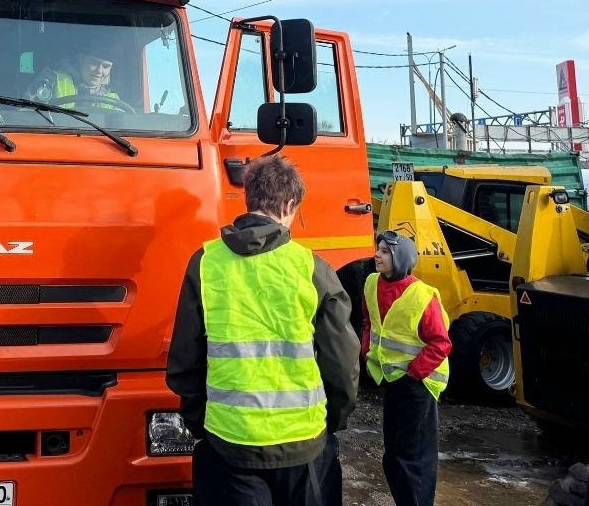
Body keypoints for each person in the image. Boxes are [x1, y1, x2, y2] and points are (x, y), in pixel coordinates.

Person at [167, 155, 359, 506]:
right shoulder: (313, 269)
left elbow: (184, 361)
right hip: (303, 445)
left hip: (229, 445)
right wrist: (332, 420)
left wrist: (202, 423)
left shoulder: (205, 263)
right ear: (288, 205)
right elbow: (342, 363)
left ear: (249, 198)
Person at [362, 231, 453, 506]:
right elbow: (369, 322)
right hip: (393, 381)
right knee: (394, 457)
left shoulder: (421, 296)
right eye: (378, 249)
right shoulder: (371, 283)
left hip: (419, 384)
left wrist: (414, 374)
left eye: (385, 251)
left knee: (413, 460)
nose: (377, 254)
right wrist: (366, 352)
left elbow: (441, 343)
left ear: (400, 258)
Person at [29, 45, 125, 110]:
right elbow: (28, 114)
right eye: (93, 63)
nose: (99, 71)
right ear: (81, 59)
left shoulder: (113, 99)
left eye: (106, 66)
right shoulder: (50, 80)